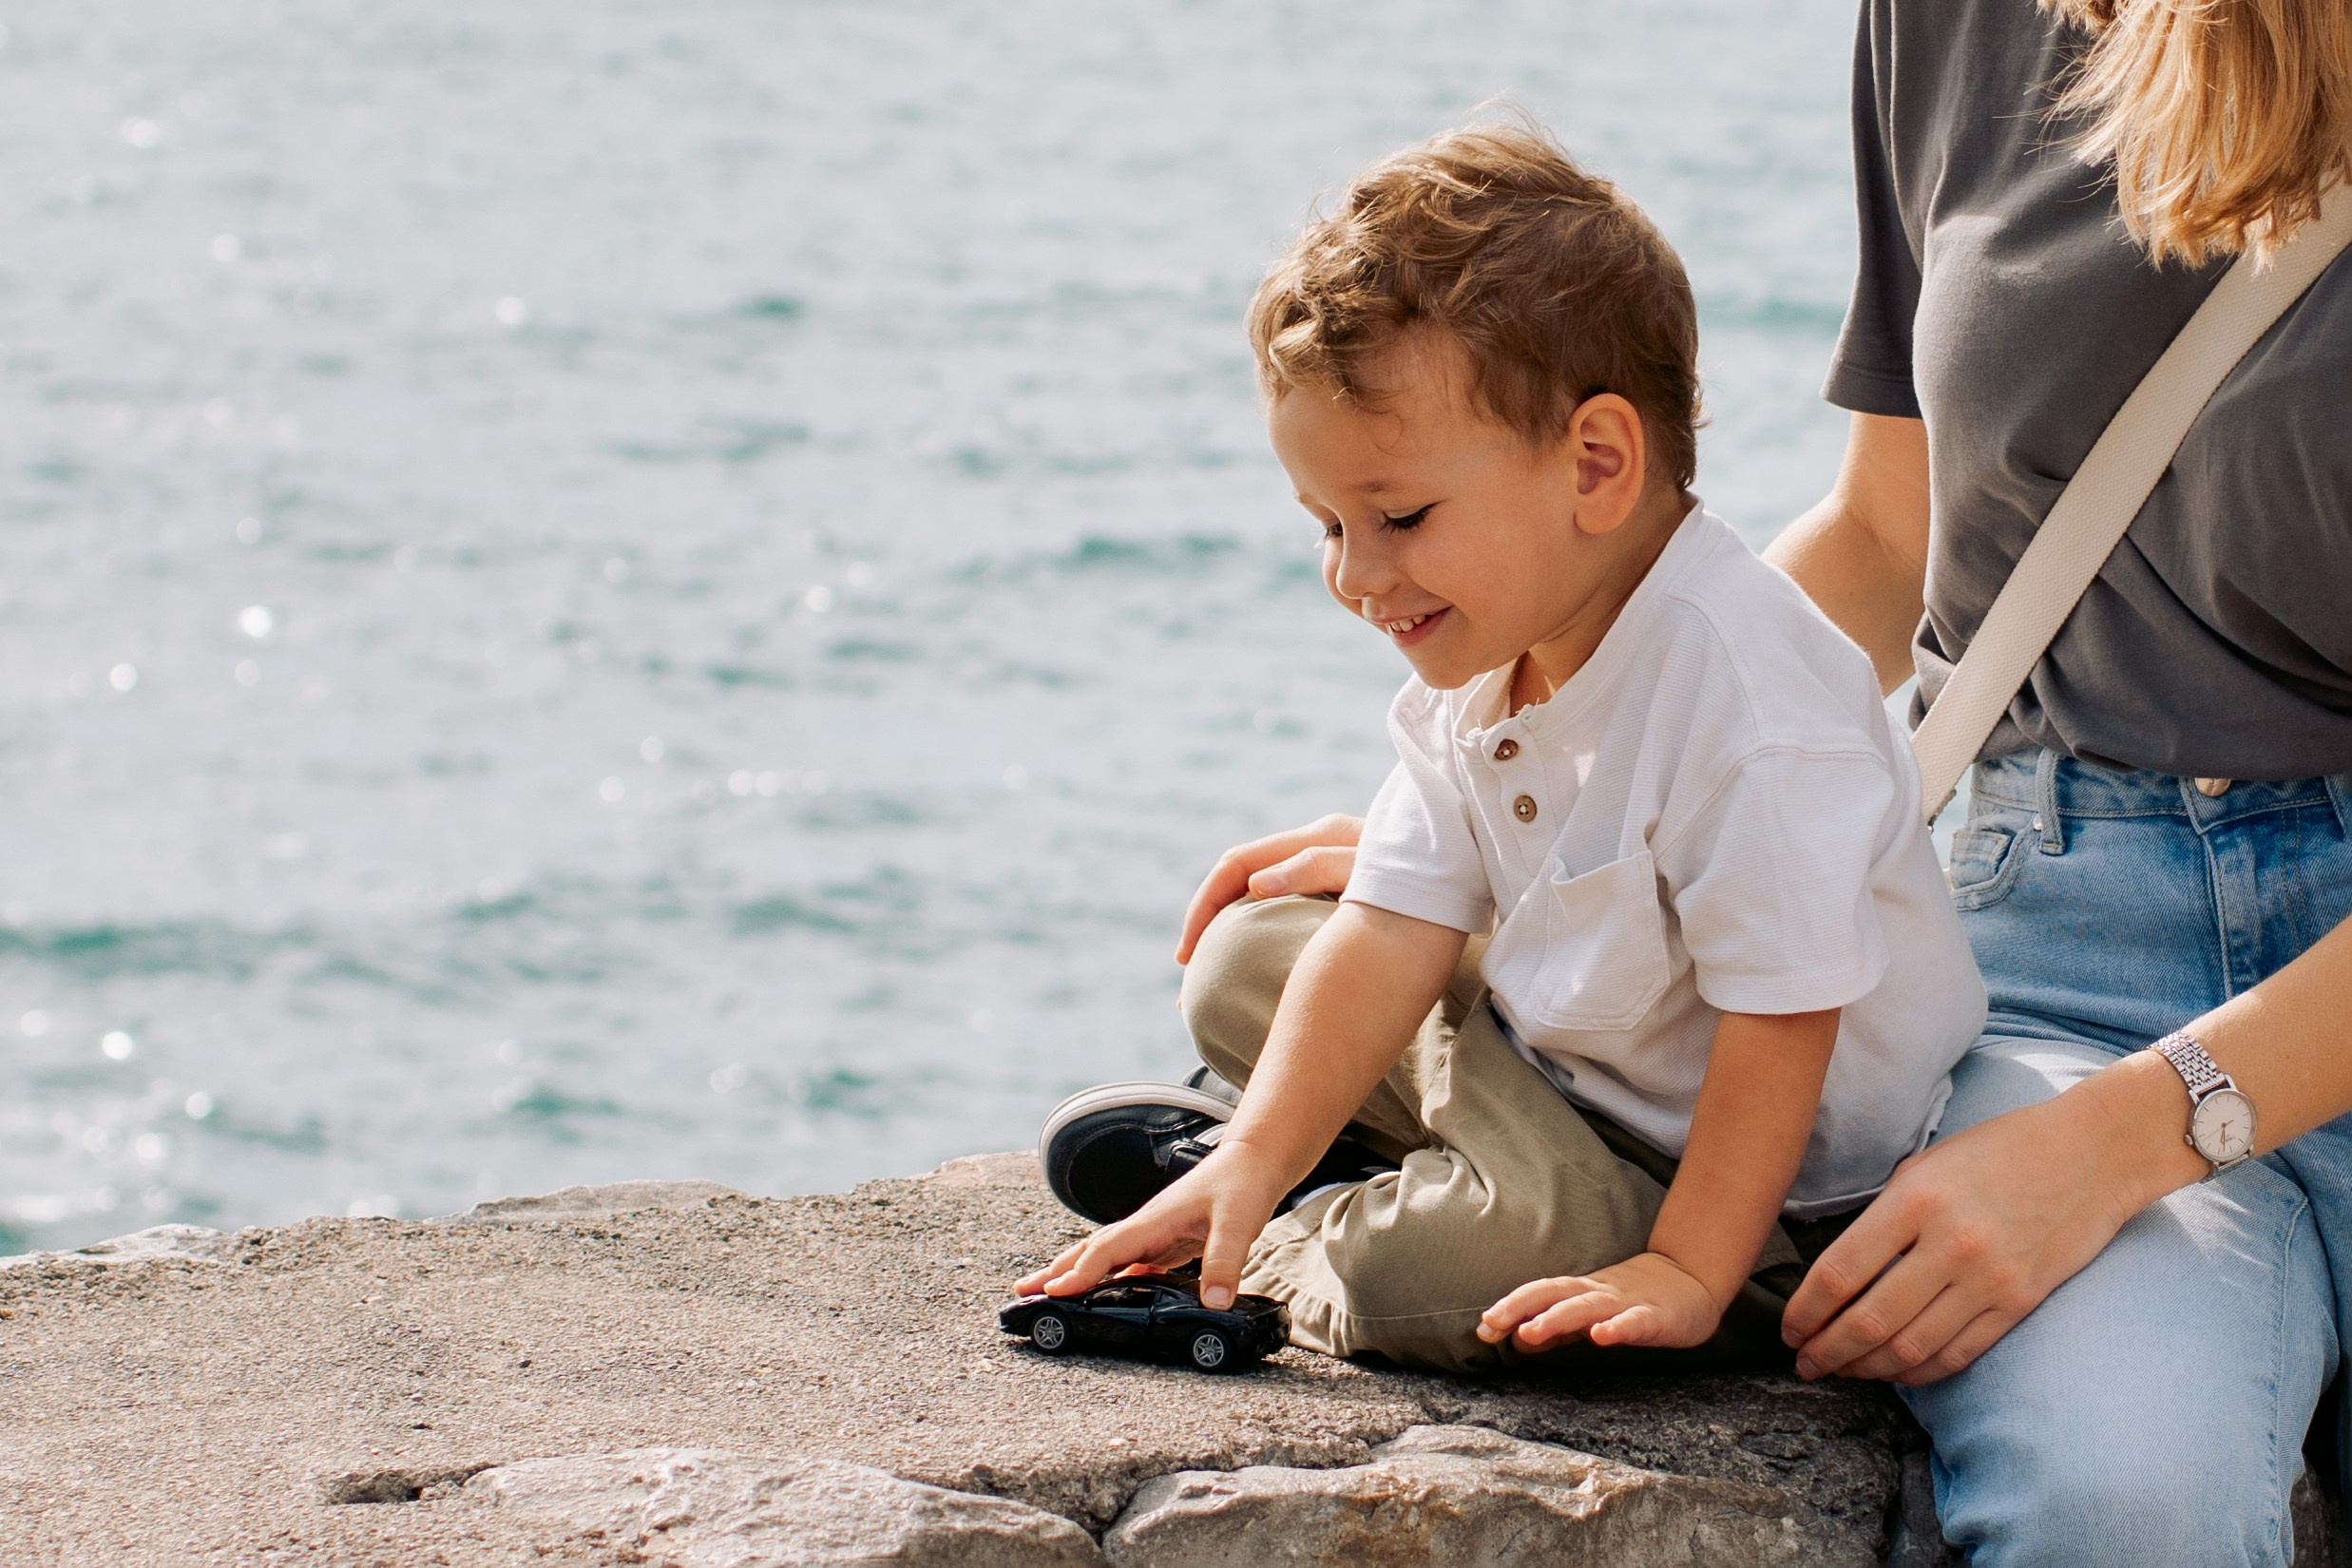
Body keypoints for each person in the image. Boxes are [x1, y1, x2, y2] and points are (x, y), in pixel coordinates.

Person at [1143, 1, 2352, 1562]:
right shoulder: (1953, 21)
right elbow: (1885, 537)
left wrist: (2133, 1138)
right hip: (2060, 966)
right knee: (2117, 1509)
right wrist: (1557, 782)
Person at [1015, 121, 1985, 1376]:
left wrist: (1687, 1267)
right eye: (1329, 525)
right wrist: (1252, 1150)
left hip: (1748, 1182)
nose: (1357, 576)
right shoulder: (1493, 649)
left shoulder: (1750, 709)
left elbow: (1781, 1020)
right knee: (1249, 960)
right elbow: (1389, 923)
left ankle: (1306, 1235)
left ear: (1594, 464)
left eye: (1400, 515)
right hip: (1565, 1066)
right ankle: (1267, 1160)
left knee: (1418, 1274)